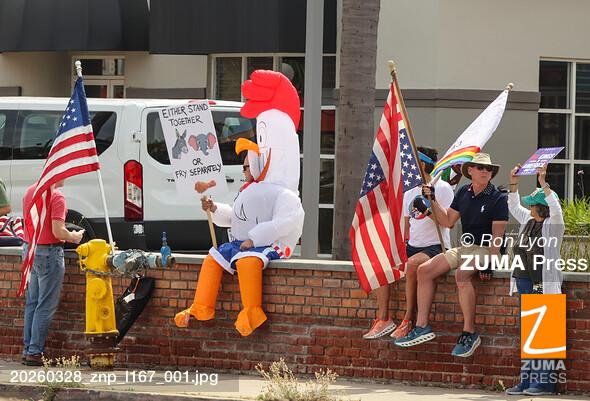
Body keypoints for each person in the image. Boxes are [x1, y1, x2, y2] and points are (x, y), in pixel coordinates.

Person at [175, 69, 305, 337]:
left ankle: (252, 311)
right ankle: (201, 307)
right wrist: (215, 209)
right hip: (244, 244)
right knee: (213, 259)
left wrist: (253, 239)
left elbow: (284, 223)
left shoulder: (285, 194)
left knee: (247, 262)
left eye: (246, 166)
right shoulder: (251, 189)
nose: (244, 170)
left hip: (266, 246)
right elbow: (237, 216)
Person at [395, 153, 509, 357]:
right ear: (470, 171)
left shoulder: (498, 198)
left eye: (489, 169)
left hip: (486, 249)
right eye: (480, 167)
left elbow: (497, 235)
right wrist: (432, 202)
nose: (485, 171)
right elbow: (448, 221)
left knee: (461, 274)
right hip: (465, 248)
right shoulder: (464, 192)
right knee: (424, 270)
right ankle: (422, 326)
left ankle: (469, 332)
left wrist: (491, 262)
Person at [363, 147, 454, 340]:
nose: (406, 165)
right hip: (413, 245)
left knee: (412, 265)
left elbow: (447, 222)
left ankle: (408, 319)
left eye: (410, 161)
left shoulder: (443, 188)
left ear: (422, 164)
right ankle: (384, 318)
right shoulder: (410, 190)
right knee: (380, 262)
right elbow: (407, 225)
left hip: (435, 246)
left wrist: (429, 206)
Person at [505, 164, 563, 396]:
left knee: (544, 332)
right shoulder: (527, 222)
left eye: (532, 205)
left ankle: (543, 384)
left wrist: (543, 183)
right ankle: (526, 380)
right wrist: (514, 182)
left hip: (544, 284)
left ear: (541, 207)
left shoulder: (553, 225)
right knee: (528, 332)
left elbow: (556, 209)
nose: (528, 208)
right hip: (524, 281)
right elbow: (513, 205)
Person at [22, 180, 84, 366]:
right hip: (48, 252)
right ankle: (35, 352)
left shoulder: (30, 190)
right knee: (45, 304)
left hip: (30, 249)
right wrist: (74, 236)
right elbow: (58, 232)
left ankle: (28, 350)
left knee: (32, 302)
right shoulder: (56, 196)